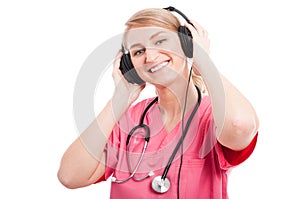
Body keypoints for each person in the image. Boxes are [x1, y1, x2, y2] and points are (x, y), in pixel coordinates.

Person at [57, 6, 259, 199]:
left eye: (161, 41)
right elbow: (70, 176)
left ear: (186, 44)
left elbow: (240, 126)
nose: (150, 57)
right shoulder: (129, 120)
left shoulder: (214, 114)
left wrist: (203, 62)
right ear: (130, 66)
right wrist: (119, 100)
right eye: (138, 52)